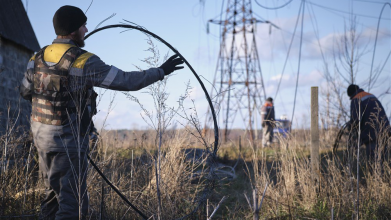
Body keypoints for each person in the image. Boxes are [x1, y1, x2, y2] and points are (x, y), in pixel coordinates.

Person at [19, 5, 184, 219]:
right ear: (72, 30)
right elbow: (126, 81)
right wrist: (161, 71)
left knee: (50, 197)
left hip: (41, 140)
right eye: (83, 25)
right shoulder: (83, 61)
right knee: (72, 206)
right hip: (67, 145)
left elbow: (25, 92)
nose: (86, 29)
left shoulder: (36, 58)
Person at [346, 84, 390, 161]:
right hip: (385, 132)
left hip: (372, 135)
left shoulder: (356, 99)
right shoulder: (371, 96)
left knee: (373, 163)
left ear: (351, 95)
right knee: (384, 162)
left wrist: (349, 127)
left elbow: (356, 120)